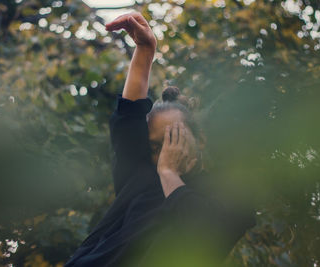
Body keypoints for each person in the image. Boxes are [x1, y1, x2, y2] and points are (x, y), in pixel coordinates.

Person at [65, 12, 255, 267]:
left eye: (174, 139)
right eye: (156, 147)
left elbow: (204, 236)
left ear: (201, 141)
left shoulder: (226, 200)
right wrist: (145, 48)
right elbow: (129, 113)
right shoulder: (139, 175)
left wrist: (169, 173)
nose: (166, 153)